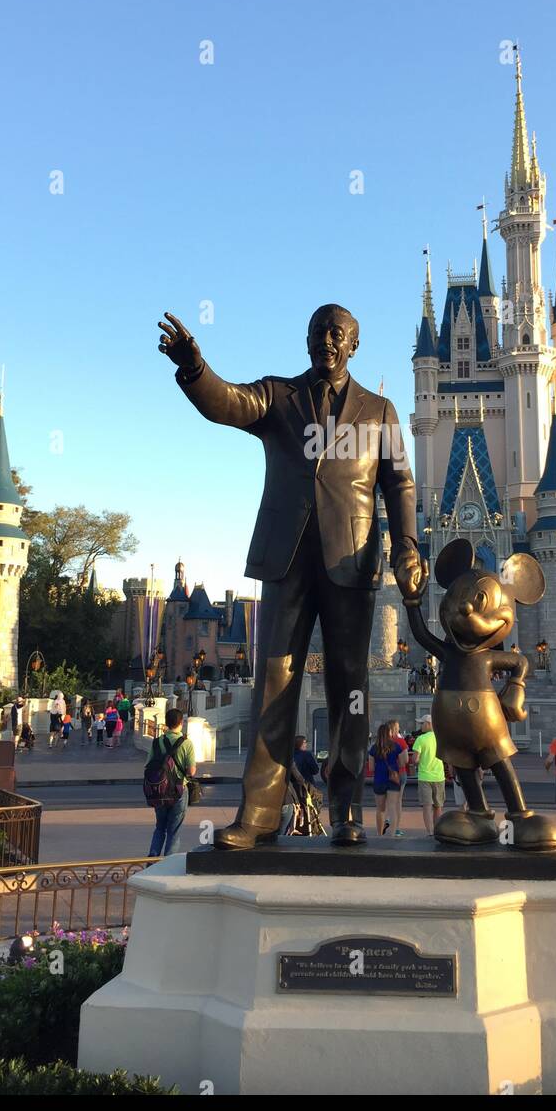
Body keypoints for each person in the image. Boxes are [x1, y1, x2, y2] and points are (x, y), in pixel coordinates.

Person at [159, 303, 424, 850]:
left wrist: (408, 548)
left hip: (350, 559)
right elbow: (227, 403)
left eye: (338, 333)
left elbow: (399, 483)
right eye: (318, 331)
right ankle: (258, 813)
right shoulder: (279, 396)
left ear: (353, 345)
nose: (326, 340)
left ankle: (346, 807)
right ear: (305, 340)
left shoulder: (380, 411)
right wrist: (194, 370)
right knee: (274, 683)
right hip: (285, 558)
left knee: (351, 684)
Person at [146, 709, 197, 857]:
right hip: (179, 790)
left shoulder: (157, 742)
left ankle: (152, 862)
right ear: (181, 723)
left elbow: (149, 764)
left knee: (160, 827)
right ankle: (168, 864)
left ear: (167, 723)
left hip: (159, 791)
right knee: (174, 831)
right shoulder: (186, 743)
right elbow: (191, 771)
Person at [369, 722, 406, 836]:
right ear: (389, 733)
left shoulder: (374, 748)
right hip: (393, 780)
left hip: (379, 780)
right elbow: (402, 763)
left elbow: (371, 767)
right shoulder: (396, 746)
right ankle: (392, 835)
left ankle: (380, 834)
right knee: (392, 808)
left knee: (380, 810)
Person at [411, 716, 445, 836]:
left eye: (422, 724)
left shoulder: (421, 739)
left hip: (425, 776)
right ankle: (437, 830)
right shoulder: (441, 738)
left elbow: (415, 759)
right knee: (438, 806)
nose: (421, 726)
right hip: (439, 776)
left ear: (429, 724)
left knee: (427, 806)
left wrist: (419, 761)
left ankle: (430, 832)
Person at [389, 720, 410, 836]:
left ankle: (385, 825)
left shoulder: (384, 741)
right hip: (399, 773)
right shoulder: (401, 741)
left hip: (385, 774)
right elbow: (406, 760)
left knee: (387, 801)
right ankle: (396, 828)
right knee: (398, 802)